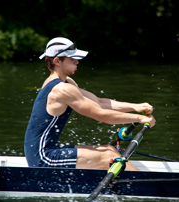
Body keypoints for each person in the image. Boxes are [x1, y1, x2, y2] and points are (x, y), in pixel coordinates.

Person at [24, 37, 156, 170]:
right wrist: (139, 118)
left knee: (109, 149)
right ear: (57, 61)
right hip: (42, 159)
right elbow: (101, 115)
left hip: (49, 151)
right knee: (106, 156)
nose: (77, 62)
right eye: (72, 58)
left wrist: (135, 107)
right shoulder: (62, 89)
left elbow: (99, 102)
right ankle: (149, 189)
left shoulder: (66, 82)